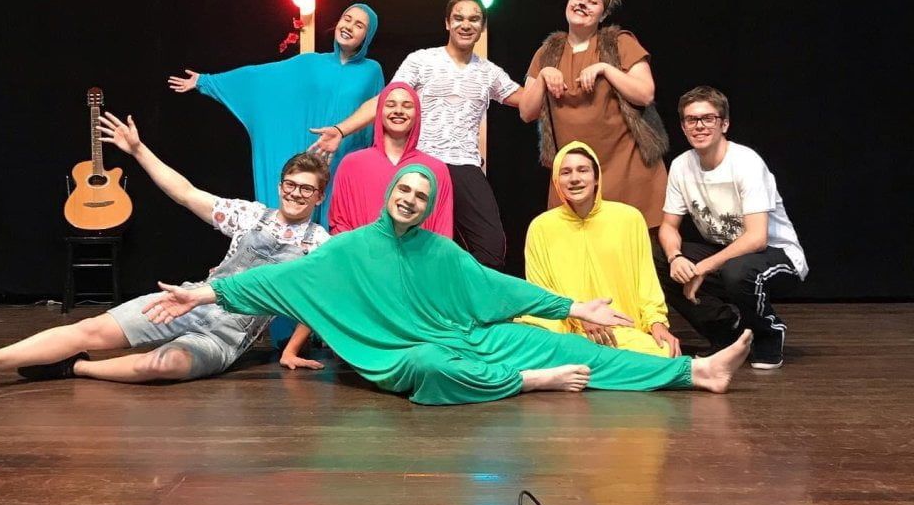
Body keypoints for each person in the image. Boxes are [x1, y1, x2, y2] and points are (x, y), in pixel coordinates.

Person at [143, 165, 753, 406]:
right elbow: (275, 280)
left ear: (429, 205)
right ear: (391, 194)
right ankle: (525, 383)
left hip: (466, 336)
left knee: (562, 344)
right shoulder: (346, 249)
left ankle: (697, 374)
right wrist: (201, 294)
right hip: (401, 354)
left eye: (421, 195)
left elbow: (499, 288)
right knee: (431, 367)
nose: (410, 198)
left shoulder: (440, 250)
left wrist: (572, 306)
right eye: (404, 190)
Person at [0, 116, 329, 392]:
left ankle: (75, 367)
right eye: (290, 184)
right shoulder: (250, 214)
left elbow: (314, 301)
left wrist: (292, 349)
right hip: (185, 302)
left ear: (319, 196)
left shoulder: (319, 244)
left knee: (163, 363)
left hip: (227, 335)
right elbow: (185, 192)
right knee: (92, 329)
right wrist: (139, 151)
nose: (295, 193)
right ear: (280, 185)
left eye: (306, 189)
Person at [311, 0, 522, 268]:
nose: (465, 24)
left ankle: (460, 295)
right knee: (415, 244)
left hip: (463, 165)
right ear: (447, 23)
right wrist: (341, 130)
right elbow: (385, 100)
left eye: (473, 19)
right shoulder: (422, 60)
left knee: (491, 248)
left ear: (482, 27)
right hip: (422, 162)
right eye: (458, 18)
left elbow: (527, 104)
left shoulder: (489, 72)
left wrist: (544, 74)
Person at [169, 3, 383, 227]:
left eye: (359, 25)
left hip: (341, 156)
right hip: (308, 148)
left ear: (367, 36)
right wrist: (205, 81)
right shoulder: (310, 62)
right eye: (347, 19)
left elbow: (375, 118)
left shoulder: (372, 71)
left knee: (332, 224)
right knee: (295, 210)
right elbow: (260, 78)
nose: (349, 26)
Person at [655, 86, 808, 370]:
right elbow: (668, 226)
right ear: (683, 127)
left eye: (708, 118)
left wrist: (702, 267)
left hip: (778, 255)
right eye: (691, 119)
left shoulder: (746, 162)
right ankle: (725, 330)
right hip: (727, 253)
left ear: (724, 124)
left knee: (736, 270)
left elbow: (757, 238)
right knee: (655, 254)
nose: (699, 126)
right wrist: (676, 257)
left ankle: (768, 333)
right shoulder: (681, 166)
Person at [519, 0, 668, 227]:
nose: (582, 4)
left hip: (625, 170)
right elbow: (526, 112)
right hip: (574, 178)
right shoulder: (547, 52)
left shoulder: (619, 43)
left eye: (593, 2)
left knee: (627, 244)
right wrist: (543, 76)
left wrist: (606, 69)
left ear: (603, 14)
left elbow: (645, 94)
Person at [523, 141, 680, 357]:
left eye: (583, 170)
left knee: (664, 352)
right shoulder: (541, 227)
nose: (575, 178)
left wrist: (657, 323)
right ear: (557, 180)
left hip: (618, 331)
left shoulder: (628, 219)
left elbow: (646, 281)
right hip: (564, 328)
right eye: (566, 172)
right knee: (530, 341)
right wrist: (579, 314)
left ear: (596, 178)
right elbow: (540, 292)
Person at [328, 81, 454, 237]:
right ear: (379, 111)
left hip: (418, 253)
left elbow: (442, 232)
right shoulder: (352, 164)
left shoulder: (437, 169)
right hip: (361, 252)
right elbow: (339, 226)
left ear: (417, 114)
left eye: (407, 106)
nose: (399, 111)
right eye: (390, 105)